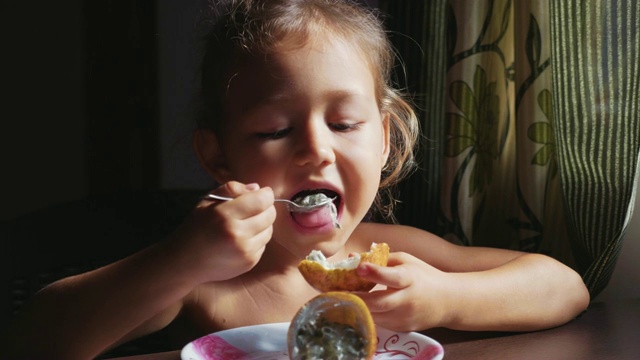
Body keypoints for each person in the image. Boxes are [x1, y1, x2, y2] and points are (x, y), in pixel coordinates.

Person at [0, 0, 589, 358]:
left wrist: (446, 297)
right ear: (220, 159)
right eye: (274, 131)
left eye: (344, 123)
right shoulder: (203, 279)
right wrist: (180, 260)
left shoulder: (390, 257)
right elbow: (34, 343)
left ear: (383, 138)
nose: (315, 149)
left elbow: (565, 286)